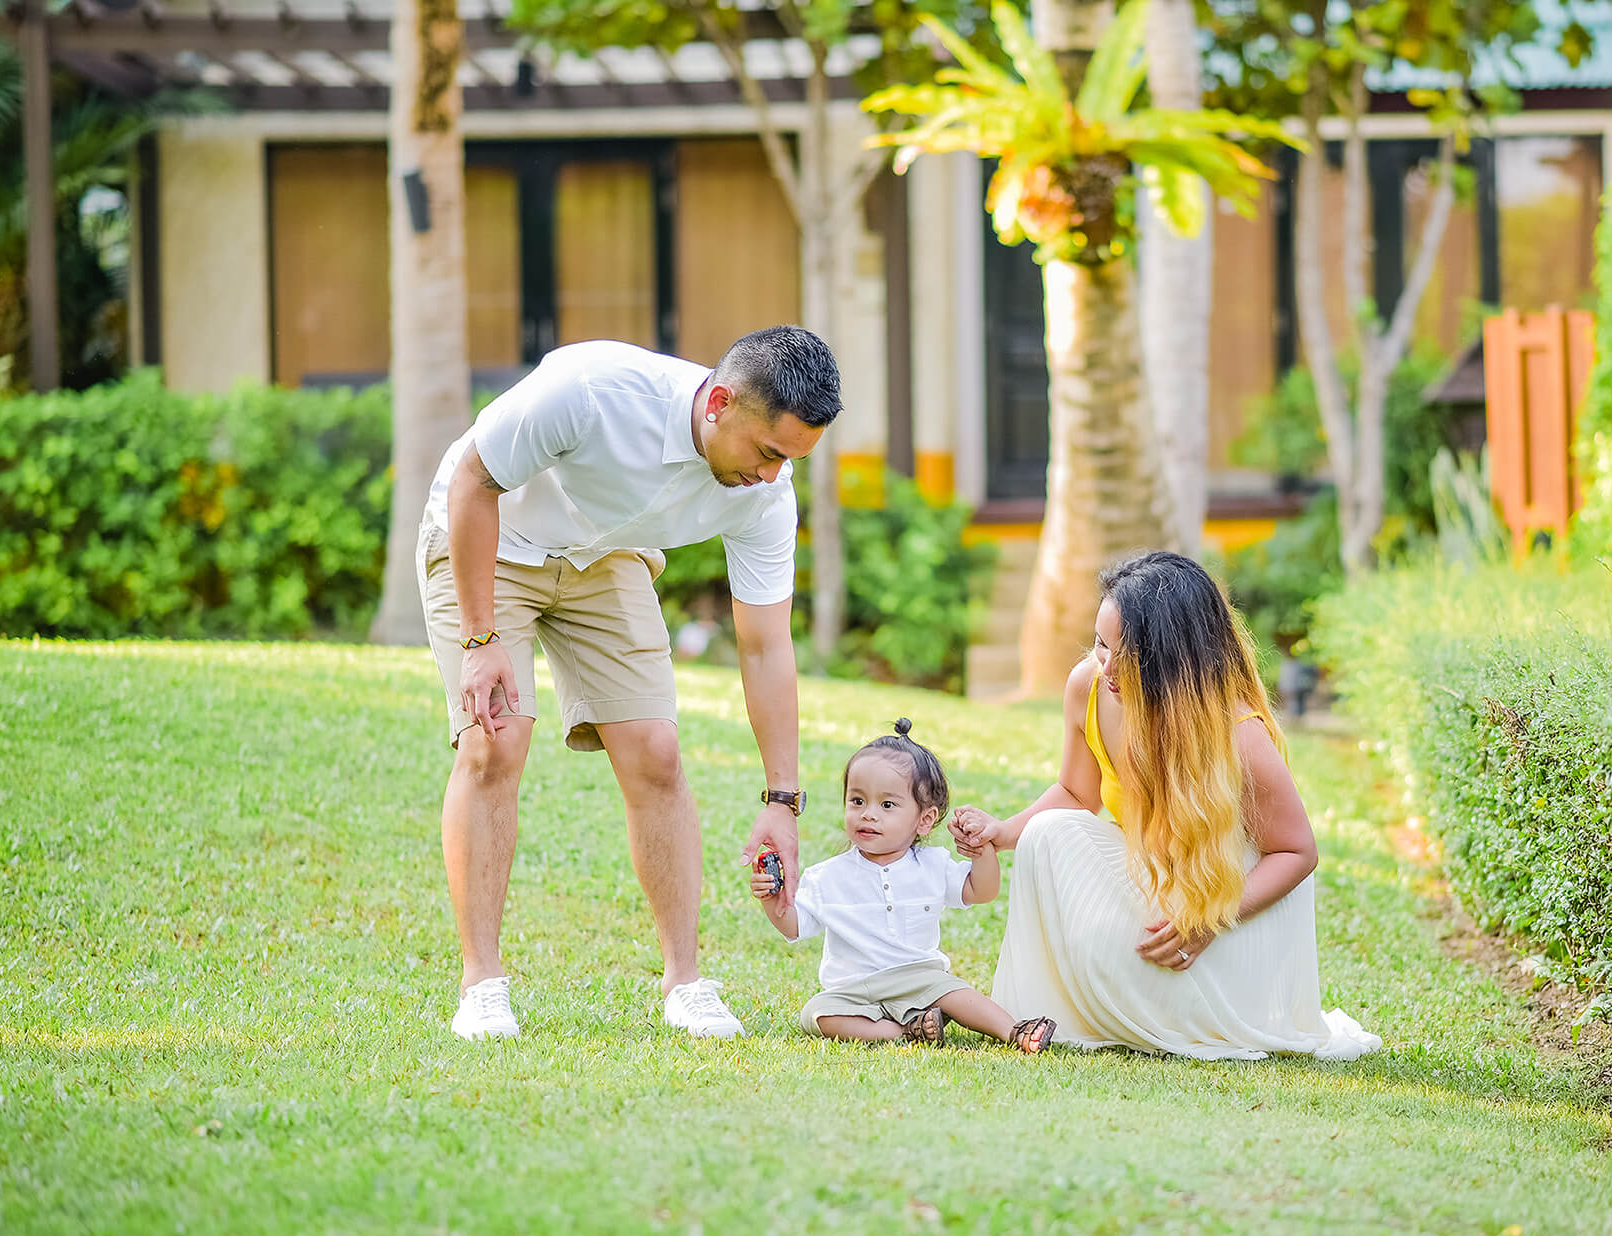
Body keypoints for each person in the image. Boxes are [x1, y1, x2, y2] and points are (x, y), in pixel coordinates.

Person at [418, 327, 838, 1041]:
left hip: (604, 554)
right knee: (496, 743)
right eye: (768, 452)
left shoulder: (768, 492)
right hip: (495, 539)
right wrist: (481, 639)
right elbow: (473, 481)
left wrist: (782, 800)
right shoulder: (592, 391)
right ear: (721, 403)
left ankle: (686, 984)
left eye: (793, 460)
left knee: (656, 751)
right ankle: (482, 986)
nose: (773, 476)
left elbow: (766, 646)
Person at [950, 552, 1381, 1062]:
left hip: (1235, 899)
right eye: (1099, 643)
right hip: (1161, 878)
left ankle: (1190, 1007)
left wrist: (1208, 919)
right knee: (1048, 835)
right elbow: (1075, 795)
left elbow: (1296, 853)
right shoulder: (1090, 684)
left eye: (1121, 653)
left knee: (1142, 964)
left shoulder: (1236, 733)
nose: (1102, 665)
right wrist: (1001, 832)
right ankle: (1099, 1007)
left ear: (1168, 659)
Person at [753, 720, 1056, 1052]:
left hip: (919, 978)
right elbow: (795, 926)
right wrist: (773, 899)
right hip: (854, 988)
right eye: (857, 801)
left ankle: (1015, 1031)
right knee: (817, 1014)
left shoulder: (932, 865)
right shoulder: (827, 876)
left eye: (886, 805)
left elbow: (981, 892)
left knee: (958, 993)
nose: (868, 814)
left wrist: (982, 849)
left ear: (924, 820)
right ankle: (906, 1031)